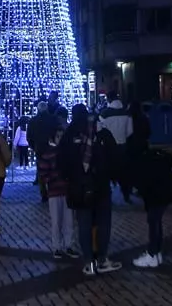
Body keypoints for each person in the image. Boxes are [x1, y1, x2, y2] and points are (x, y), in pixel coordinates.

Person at [58, 104, 122, 276]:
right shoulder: (101, 133)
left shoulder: (70, 134)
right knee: (103, 224)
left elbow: (61, 161)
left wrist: (69, 178)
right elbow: (115, 158)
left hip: (79, 187)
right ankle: (102, 258)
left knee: (84, 224)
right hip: (101, 185)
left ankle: (88, 262)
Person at [130, 145, 172, 268]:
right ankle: (156, 252)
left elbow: (145, 189)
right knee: (156, 221)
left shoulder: (138, 166)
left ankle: (152, 254)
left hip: (159, 193)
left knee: (153, 222)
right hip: (167, 190)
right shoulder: (151, 156)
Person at [38, 113, 79, 259]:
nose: (61, 139)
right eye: (58, 136)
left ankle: (69, 245)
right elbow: (43, 173)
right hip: (55, 191)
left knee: (69, 220)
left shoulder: (66, 152)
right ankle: (57, 246)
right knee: (56, 221)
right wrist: (55, 177)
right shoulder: (48, 153)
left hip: (66, 190)